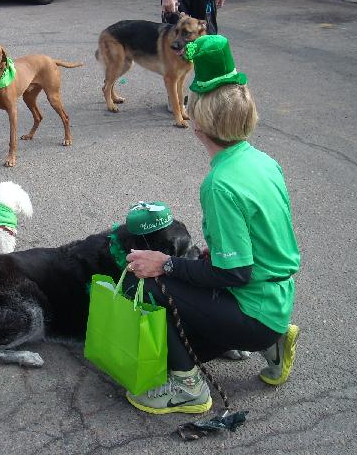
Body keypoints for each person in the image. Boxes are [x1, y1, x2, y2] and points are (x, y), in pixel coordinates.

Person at [124, 35, 300, 414]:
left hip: (253, 309)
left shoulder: (219, 184)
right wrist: (208, 256)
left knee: (152, 283)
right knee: (196, 332)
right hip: (278, 299)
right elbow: (261, 238)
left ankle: (189, 389)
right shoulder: (262, 160)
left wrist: (165, 263)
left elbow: (235, 272)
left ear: (197, 124)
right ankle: (272, 342)